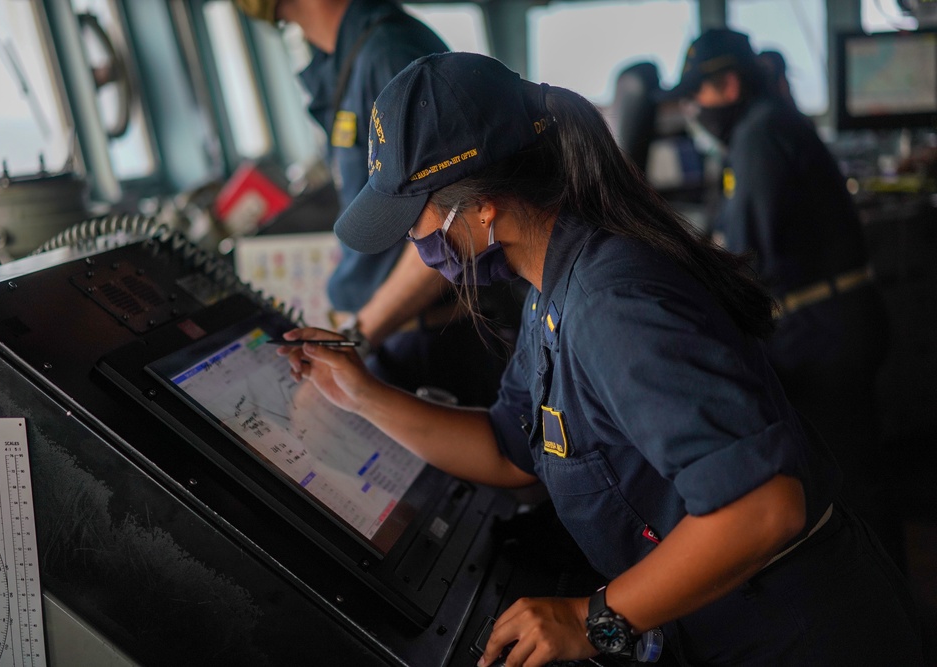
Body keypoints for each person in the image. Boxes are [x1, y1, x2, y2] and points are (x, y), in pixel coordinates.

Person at [278, 52, 923, 666]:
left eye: (413, 219)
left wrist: (591, 619)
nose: (413, 242)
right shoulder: (550, 285)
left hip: (796, 634)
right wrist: (358, 393)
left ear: (480, 207)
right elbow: (510, 451)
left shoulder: (612, 303)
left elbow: (763, 506)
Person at [662, 29, 901, 570]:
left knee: (854, 482)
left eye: (695, 94)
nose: (692, 108)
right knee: (861, 470)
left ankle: (886, 616)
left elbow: (748, 256)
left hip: (822, 333)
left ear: (725, 85)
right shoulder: (771, 124)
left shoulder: (759, 136)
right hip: (837, 321)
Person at [235, 0, 518, 407]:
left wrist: (357, 337)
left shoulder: (389, 54)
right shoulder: (346, 59)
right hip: (389, 333)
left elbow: (457, 220)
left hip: (428, 342)